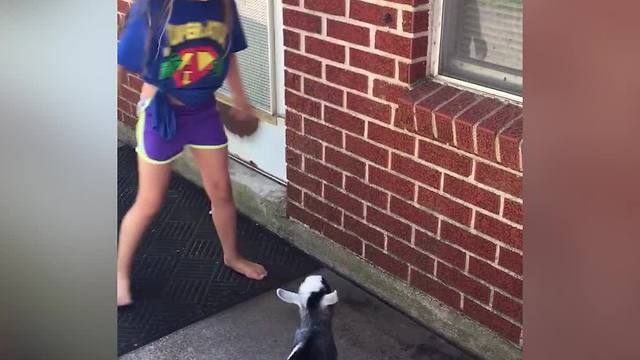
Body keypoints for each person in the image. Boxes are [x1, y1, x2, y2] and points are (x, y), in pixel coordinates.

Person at [117, 0, 267, 307]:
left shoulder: (224, 5)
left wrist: (241, 97)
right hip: (161, 114)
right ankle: (120, 275)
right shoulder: (156, 7)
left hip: (203, 114)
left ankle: (232, 256)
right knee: (149, 202)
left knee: (222, 191)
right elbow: (121, 59)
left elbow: (229, 52)